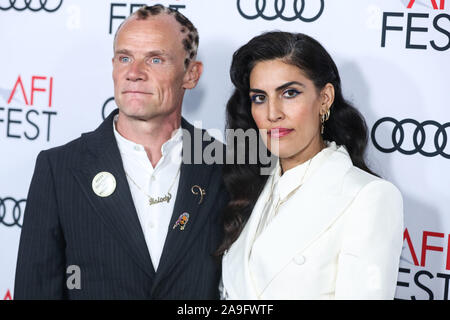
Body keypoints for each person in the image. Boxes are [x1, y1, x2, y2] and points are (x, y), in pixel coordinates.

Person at [14, 5, 228, 299]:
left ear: (191, 75)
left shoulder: (227, 165)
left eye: (155, 59)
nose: (134, 73)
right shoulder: (59, 168)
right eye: (125, 58)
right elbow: (35, 290)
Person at [218, 31, 404, 299]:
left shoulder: (369, 197)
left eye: (289, 93)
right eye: (260, 97)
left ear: (325, 98)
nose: (272, 113)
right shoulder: (251, 186)